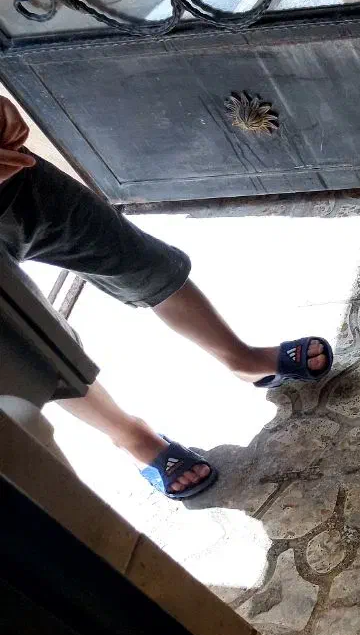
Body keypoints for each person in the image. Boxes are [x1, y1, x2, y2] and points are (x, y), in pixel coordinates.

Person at [0, 96, 331, 499]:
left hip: (12, 175)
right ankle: (130, 436)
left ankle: (242, 359)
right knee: (33, 344)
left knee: (140, 260)